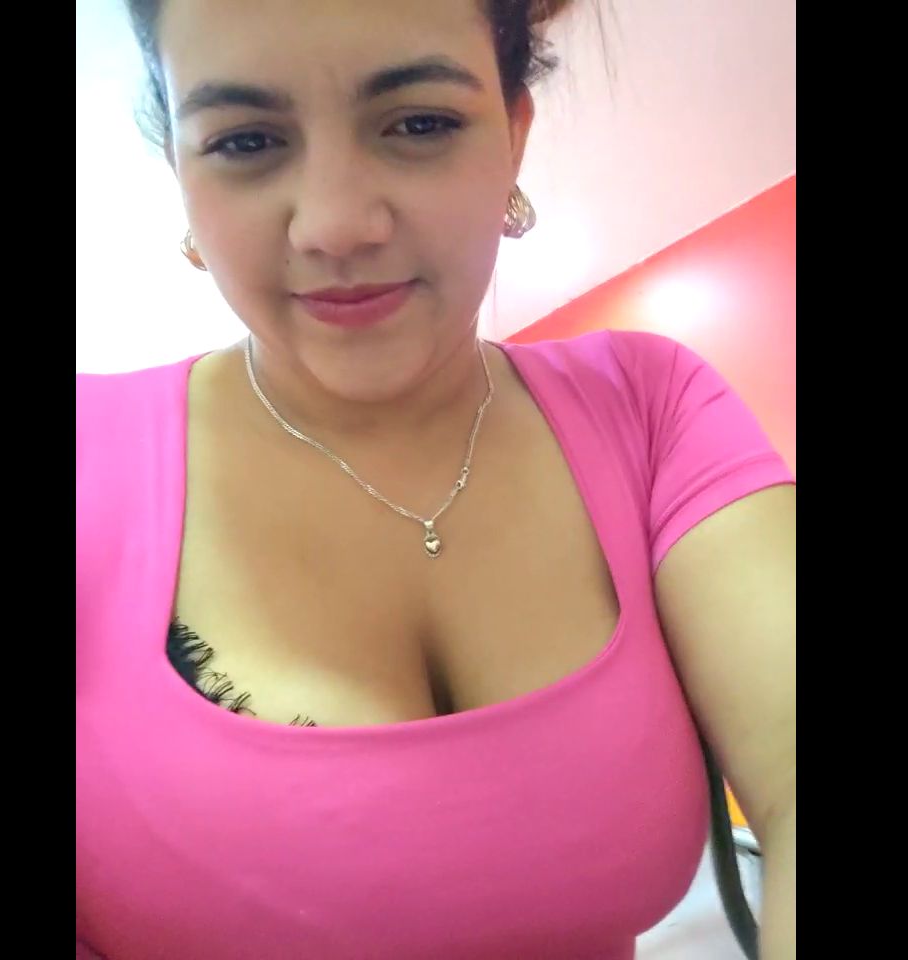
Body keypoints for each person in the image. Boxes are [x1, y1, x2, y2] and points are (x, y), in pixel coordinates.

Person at [75, 1, 796, 957]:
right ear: (181, 171)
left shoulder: (649, 407)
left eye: (419, 122)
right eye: (246, 140)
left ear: (514, 135)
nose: (337, 226)